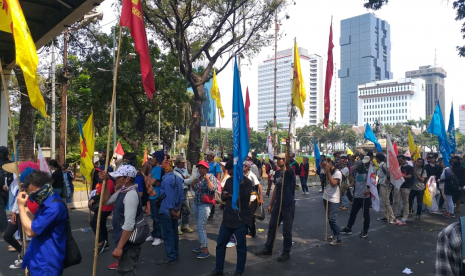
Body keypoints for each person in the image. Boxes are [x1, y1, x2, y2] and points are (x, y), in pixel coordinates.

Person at [208, 160, 254, 276]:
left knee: (241, 247)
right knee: (220, 244)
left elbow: (245, 197)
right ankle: (218, 269)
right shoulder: (228, 180)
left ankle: (239, 271)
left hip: (241, 219)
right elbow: (224, 194)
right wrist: (224, 197)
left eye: (234, 171)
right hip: (227, 218)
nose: (232, 174)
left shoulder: (247, 182)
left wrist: (241, 184)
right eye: (230, 172)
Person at [18, 170, 68, 276]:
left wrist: (21, 207)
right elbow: (35, 222)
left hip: (47, 264)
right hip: (39, 258)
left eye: (34, 193)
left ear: (44, 187)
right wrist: (25, 206)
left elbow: (31, 231)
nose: (33, 197)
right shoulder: (45, 202)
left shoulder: (54, 207)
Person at [99, 165, 144, 276]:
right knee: (123, 271)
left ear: (127, 179)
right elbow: (107, 201)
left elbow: (129, 224)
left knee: (126, 272)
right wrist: (105, 182)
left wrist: (119, 248)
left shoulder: (130, 195)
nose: (115, 179)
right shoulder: (123, 191)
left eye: (118, 177)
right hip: (124, 242)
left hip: (128, 245)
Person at [254, 153, 296, 262]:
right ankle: (268, 247)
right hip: (278, 204)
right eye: (277, 159)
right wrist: (271, 204)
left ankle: (286, 252)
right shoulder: (277, 173)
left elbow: (288, 164)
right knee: (272, 226)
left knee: (287, 230)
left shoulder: (289, 172)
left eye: (281, 159)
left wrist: (287, 144)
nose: (278, 161)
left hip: (288, 204)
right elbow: (276, 189)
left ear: (285, 160)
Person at [3, 163, 37, 269]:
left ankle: (24, 259)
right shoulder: (18, 186)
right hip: (17, 214)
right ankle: (21, 252)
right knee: (7, 235)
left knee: (24, 238)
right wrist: (13, 212)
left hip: (25, 215)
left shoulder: (33, 191)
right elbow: (16, 201)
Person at [157, 162, 184, 265]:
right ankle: (175, 254)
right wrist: (178, 210)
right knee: (174, 233)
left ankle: (171, 256)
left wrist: (172, 211)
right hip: (175, 209)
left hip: (167, 210)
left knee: (167, 234)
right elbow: (181, 195)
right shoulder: (177, 179)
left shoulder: (166, 180)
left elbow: (169, 196)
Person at [191, 160, 218, 259]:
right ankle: (201, 245)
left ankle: (206, 250)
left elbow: (213, 189)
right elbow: (196, 190)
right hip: (197, 203)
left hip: (205, 205)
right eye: (199, 168)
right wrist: (193, 185)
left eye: (202, 168)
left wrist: (207, 179)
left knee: (200, 226)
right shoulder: (199, 178)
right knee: (199, 225)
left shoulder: (211, 177)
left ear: (207, 169)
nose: (200, 169)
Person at [340, 156, 371, 238]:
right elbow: (354, 182)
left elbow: (373, 185)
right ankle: (348, 228)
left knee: (366, 215)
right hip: (357, 197)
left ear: (361, 167)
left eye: (357, 168)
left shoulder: (368, 174)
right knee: (353, 213)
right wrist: (348, 186)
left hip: (365, 198)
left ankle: (365, 231)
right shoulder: (356, 173)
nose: (355, 169)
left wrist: (368, 191)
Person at [89, 165, 115, 254]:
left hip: (105, 207)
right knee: (102, 224)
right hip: (101, 206)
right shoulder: (101, 182)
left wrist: (95, 198)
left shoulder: (109, 181)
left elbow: (104, 194)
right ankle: (105, 242)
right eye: (99, 171)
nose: (99, 173)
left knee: (94, 222)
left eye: (101, 171)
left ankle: (101, 241)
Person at [144, 151, 165, 246]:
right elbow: (147, 179)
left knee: (157, 217)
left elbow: (151, 181)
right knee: (154, 216)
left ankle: (160, 237)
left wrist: (149, 179)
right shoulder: (154, 168)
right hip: (152, 195)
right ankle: (154, 234)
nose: (152, 158)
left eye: (153, 156)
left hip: (156, 195)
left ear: (157, 158)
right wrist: (149, 179)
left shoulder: (159, 169)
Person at [321, 158, 342, 245]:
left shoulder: (337, 172)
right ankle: (333, 234)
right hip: (326, 197)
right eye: (323, 165)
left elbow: (333, 184)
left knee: (332, 217)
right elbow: (322, 180)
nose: (324, 167)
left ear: (331, 163)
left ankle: (338, 238)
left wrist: (328, 172)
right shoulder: (326, 171)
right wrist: (324, 171)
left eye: (326, 164)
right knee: (329, 218)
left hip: (334, 198)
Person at [173, 155, 194, 235]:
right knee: (179, 209)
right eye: (182, 162)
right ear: (178, 163)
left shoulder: (184, 170)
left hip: (185, 191)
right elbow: (183, 181)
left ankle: (185, 226)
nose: (184, 163)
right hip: (179, 192)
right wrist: (187, 179)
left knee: (187, 209)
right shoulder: (175, 172)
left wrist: (186, 179)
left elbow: (190, 179)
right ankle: (177, 226)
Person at [392, 155, 414, 225]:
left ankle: (405, 216)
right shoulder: (397, 167)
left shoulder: (410, 167)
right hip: (398, 186)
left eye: (401, 160)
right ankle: (393, 215)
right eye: (398, 161)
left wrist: (402, 176)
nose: (400, 162)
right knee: (396, 201)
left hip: (406, 186)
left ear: (405, 160)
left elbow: (410, 176)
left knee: (405, 202)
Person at [243, 161, 263, 238]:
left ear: (248, 167)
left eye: (245, 166)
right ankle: (246, 231)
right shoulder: (241, 175)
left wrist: (261, 198)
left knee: (250, 215)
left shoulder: (251, 175)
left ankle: (252, 233)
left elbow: (260, 186)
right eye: (243, 165)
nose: (243, 167)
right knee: (244, 214)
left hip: (252, 198)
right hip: (244, 198)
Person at [376, 153, 395, 223]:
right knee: (385, 201)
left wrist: (388, 178)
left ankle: (392, 217)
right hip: (383, 184)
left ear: (378, 158)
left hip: (386, 185)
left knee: (386, 202)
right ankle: (386, 216)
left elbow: (390, 173)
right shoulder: (383, 165)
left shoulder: (384, 165)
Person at [0, 146, 12, 236]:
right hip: (7, 189)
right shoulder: (9, 163)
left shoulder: (8, 163)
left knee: (1, 209)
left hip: (4, 189)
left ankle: (6, 228)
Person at [206, 150, 221, 221]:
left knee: (212, 198)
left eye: (208, 155)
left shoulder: (216, 164)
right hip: (206, 182)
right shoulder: (206, 164)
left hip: (213, 183)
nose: (207, 156)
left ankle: (211, 213)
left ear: (212, 156)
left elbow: (218, 174)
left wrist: (217, 183)